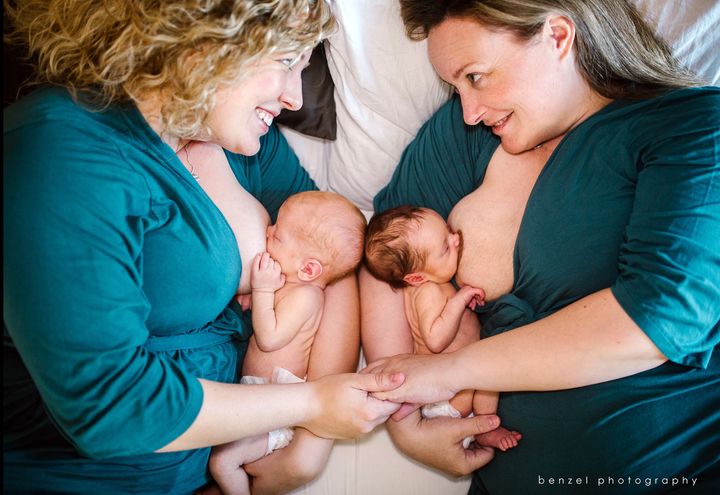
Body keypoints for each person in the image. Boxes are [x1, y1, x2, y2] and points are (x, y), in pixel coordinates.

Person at [3, 1, 415, 494]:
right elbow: (110, 407)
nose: (295, 98)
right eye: (286, 62)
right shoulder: (63, 152)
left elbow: (333, 255)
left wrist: (310, 445)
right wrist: (312, 406)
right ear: (204, 43)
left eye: (304, 67)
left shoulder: (234, 139)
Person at [359, 0, 720, 493]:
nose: (468, 110)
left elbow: (656, 319)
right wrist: (403, 412)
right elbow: (383, 257)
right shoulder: (469, 135)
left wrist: (443, 372)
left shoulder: (690, 127)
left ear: (557, 37)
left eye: (476, 76)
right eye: (455, 87)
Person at [209, 190, 367, 495]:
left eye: (277, 235)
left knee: (222, 461)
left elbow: (269, 339)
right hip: (260, 403)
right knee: (221, 454)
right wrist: (257, 297)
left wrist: (262, 288)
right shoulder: (294, 286)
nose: (268, 232)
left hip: (274, 415)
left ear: (308, 268)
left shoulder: (307, 297)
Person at [363, 205, 520, 452]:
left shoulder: (426, 285)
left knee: (487, 368)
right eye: (445, 247)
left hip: (447, 386)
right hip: (449, 393)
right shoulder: (427, 292)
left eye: (448, 231)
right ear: (416, 277)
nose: (456, 239)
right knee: (491, 372)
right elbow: (436, 339)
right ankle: (486, 429)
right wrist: (459, 300)